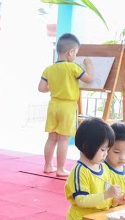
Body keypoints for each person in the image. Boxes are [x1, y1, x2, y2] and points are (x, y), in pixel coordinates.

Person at [57, 117, 125, 220]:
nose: (106, 154)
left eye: (107, 149)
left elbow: (108, 197)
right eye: (102, 149)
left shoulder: (103, 167)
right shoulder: (80, 171)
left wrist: (118, 199)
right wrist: (107, 195)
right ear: (86, 146)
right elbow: (81, 201)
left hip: (102, 215)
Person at [39, 33, 93, 177]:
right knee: (63, 139)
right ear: (70, 52)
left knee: (51, 138)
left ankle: (48, 165)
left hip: (53, 105)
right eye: (76, 53)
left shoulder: (49, 69)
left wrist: (55, 87)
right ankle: (60, 169)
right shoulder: (73, 67)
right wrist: (88, 65)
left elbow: (41, 88)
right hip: (68, 107)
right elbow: (88, 79)